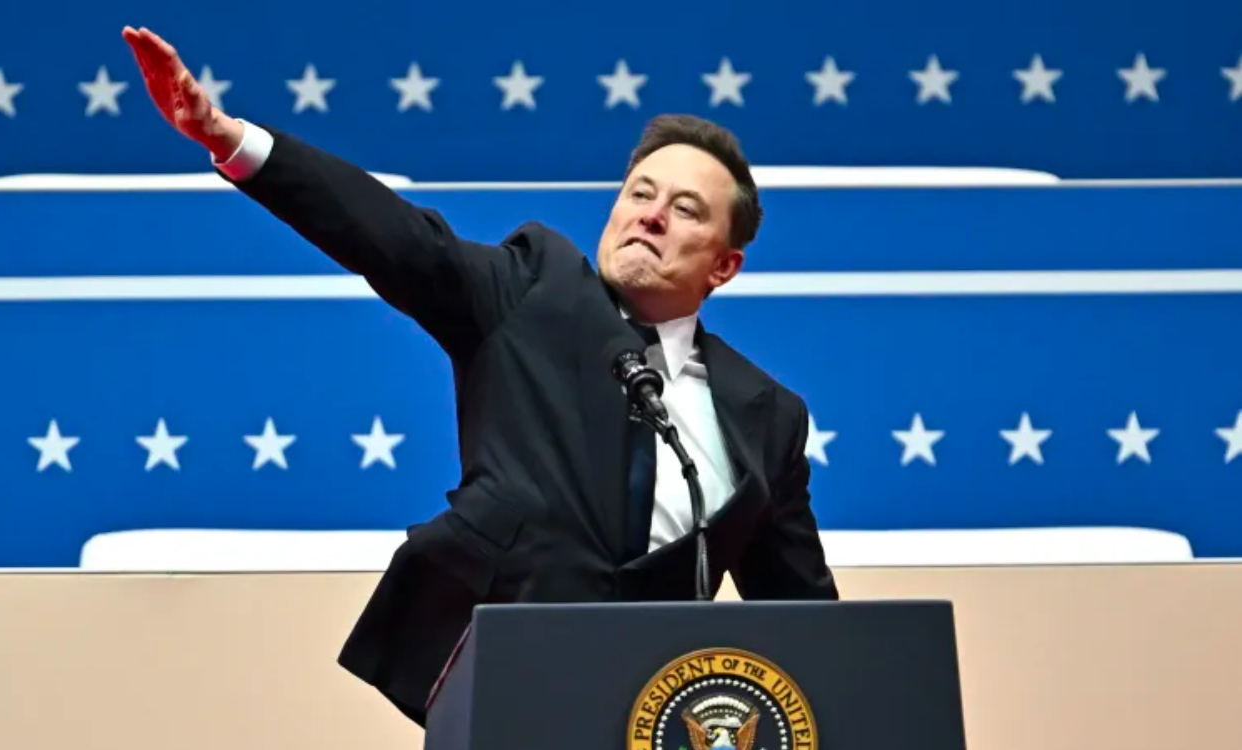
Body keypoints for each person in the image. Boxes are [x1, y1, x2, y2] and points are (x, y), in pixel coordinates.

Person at [122, 25, 839, 728]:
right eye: (638, 193)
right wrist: (228, 138)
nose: (650, 217)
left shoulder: (767, 416)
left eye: (684, 210)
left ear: (724, 266)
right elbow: (396, 237)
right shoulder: (534, 291)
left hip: (653, 713)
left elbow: (808, 623)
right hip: (502, 686)